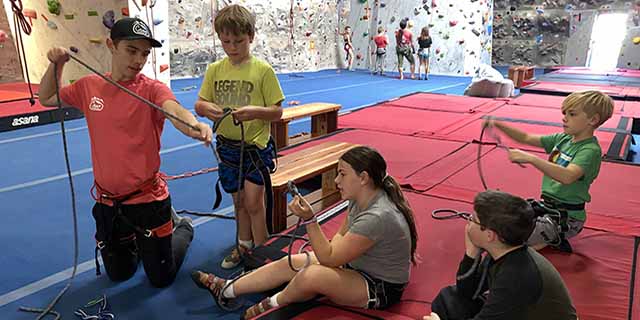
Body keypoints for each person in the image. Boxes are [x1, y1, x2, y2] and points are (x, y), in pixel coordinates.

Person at [39, 17, 213, 287]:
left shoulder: (152, 89)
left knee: (160, 279)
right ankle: (143, 244)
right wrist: (57, 64)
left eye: (144, 53)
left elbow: (174, 111)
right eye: (132, 51)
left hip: (148, 202)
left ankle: (183, 228)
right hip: (109, 203)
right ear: (111, 45)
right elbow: (48, 97)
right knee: (120, 274)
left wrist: (194, 126)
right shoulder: (89, 87)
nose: (139, 60)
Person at [191, 146, 418, 319]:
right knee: (291, 262)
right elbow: (336, 243)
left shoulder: (377, 216)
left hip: (379, 286)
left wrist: (310, 219)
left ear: (364, 177)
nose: (337, 180)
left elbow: (330, 256)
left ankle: (268, 307)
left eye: (342, 174)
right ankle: (227, 290)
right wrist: (323, 250)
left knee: (311, 276)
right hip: (358, 266)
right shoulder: (360, 199)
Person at [194, 4, 285, 269]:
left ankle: (263, 253)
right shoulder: (214, 70)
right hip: (228, 148)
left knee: (255, 202)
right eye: (226, 41)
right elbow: (200, 104)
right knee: (238, 202)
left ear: (251, 37)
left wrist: (256, 111)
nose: (232, 47)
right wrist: (205, 108)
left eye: (239, 41)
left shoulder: (262, 70)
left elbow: (277, 112)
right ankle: (244, 245)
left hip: (255, 148)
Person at [484, 90, 614, 252]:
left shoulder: (589, 150)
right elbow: (526, 138)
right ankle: (542, 237)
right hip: (547, 207)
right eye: (564, 113)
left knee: (510, 240)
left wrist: (532, 159)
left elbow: (568, 176)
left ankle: (550, 238)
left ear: (593, 120)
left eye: (572, 114)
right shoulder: (563, 139)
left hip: (568, 218)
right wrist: (498, 124)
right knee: (506, 219)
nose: (565, 118)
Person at [424, 190, 577, 320]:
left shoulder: (516, 276)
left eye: (473, 220)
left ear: (490, 235)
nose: (468, 223)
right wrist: (472, 252)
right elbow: (467, 292)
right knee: (449, 299)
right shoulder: (502, 250)